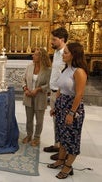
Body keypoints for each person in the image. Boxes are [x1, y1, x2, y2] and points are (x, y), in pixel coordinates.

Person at [47, 42, 88, 179]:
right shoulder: (66, 69)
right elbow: (60, 89)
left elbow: (79, 95)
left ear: (74, 54)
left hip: (72, 107)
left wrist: (71, 113)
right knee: (62, 136)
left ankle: (68, 166)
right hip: (62, 105)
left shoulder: (79, 72)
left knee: (72, 138)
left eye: (66, 53)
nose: (63, 55)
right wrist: (55, 107)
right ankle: (60, 159)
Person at [43, 27, 68, 161]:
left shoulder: (67, 53)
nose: (51, 42)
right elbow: (55, 73)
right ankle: (57, 145)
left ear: (62, 40)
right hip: (54, 92)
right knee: (56, 121)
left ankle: (63, 151)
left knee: (62, 123)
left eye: (54, 39)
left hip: (62, 94)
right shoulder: (57, 53)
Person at [22, 48, 51, 146]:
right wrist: (25, 89)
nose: (33, 56)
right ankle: (29, 135)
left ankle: (37, 137)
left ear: (41, 57)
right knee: (29, 119)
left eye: (35, 55)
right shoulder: (29, 66)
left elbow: (49, 85)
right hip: (28, 96)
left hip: (40, 97)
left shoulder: (47, 70)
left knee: (39, 120)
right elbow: (23, 80)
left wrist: (38, 89)